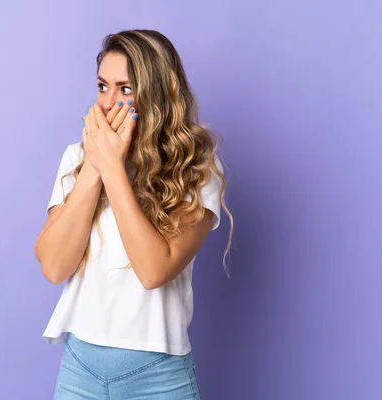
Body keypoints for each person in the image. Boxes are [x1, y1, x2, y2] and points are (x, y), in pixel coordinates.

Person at [34, 29, 233, 400]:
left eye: (126, 89)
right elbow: (53, 266)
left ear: (156, 94)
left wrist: (112, 169)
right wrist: (94, 169)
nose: (109, 103)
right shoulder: (77, 159)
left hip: (157, 379)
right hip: (80, 371)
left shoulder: (196, 168)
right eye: (102, 86)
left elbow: (153, 270)